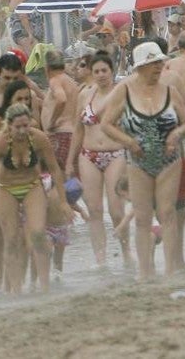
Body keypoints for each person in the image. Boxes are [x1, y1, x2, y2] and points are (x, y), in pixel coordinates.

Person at [98, 41, 185, 281]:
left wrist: (176, 134)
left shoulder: (170, 91)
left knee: (168, 212)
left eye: (160, 62)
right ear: (140, 66)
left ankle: (170, 269)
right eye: (153, 63)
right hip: (137, 160)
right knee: (141, 217)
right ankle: (145, 272)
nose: (159, 67)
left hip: (169, 158)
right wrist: (128, 142)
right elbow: (106, 123)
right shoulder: (125, 91)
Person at [0, 102, 66, 294]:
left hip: (32, 186)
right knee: (10, 239)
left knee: (37, 234)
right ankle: (16, 289)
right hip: (6, 189)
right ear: (9, 125)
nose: (22, 130)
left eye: (26, 125)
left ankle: (44, 286)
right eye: (17, 127)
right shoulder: (0, 143)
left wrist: (63, 201)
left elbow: (54, 169)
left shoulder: (39, 138)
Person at [65, 53, 131, 269]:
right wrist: (69, 160)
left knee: (116, 209)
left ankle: (126, 252)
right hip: (88, 154)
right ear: (91, 74)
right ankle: (100, 259)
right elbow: (77, 129)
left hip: (115, 153)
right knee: (94, 209)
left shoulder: (121, 94)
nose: (101, 75)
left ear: (112, 71)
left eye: (105, 70)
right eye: (97, 71)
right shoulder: (84, 95)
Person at [42, 50, 79, 171]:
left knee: (59, 178)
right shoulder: (71, 82)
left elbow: (61, 100)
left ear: (46, 67)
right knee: (73, 180)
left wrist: (51, 123)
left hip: (61, 134)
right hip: (72, 134)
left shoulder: (55, 80)